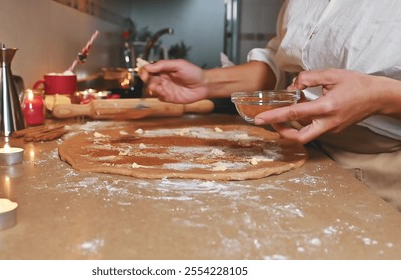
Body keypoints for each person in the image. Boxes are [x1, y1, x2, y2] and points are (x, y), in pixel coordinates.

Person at [139, 0, 401, 211]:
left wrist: (378, 95)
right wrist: (207, 82)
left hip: (377, 167)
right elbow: (286, 62)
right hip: (296, 148)